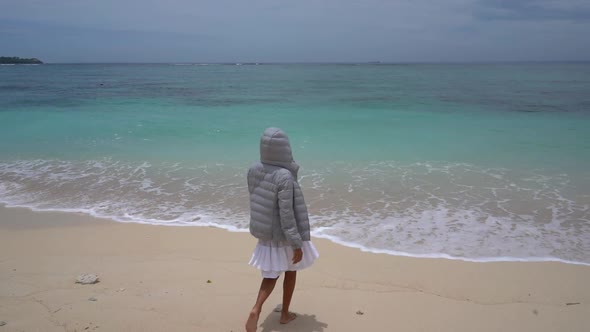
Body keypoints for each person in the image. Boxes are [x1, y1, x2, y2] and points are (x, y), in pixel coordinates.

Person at [245, 127, 319, 332]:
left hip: (267, 234)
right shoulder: (284, 176)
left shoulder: (254, 169)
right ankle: (284, 314)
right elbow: (286, 213)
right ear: (284, 149)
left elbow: (257, 200)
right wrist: (296, 242)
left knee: (270, 275)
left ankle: (257, 308)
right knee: (291, 271)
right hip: (285, 234)